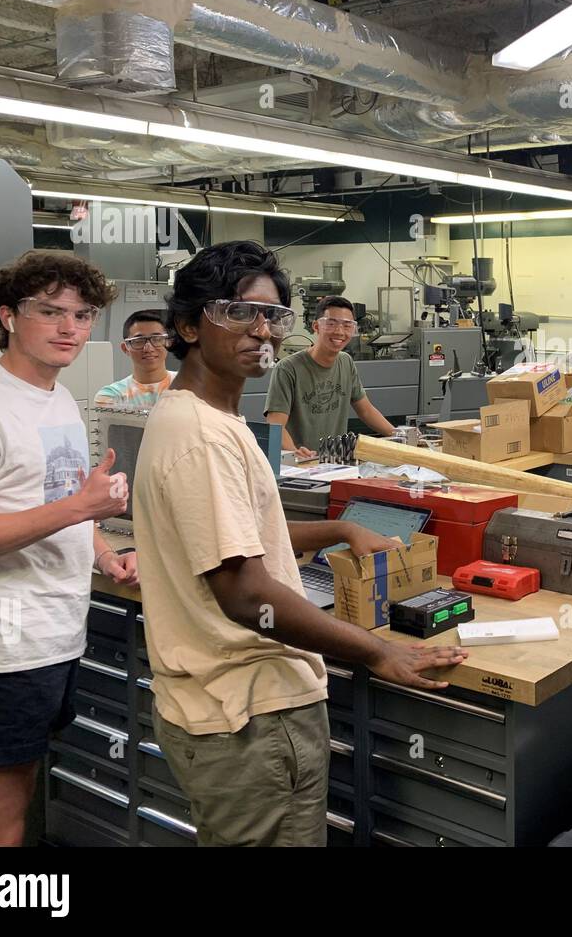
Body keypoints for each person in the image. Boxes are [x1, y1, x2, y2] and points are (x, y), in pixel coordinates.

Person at [133, 241, 467, 846]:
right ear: (187, 325)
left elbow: (234, 535)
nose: (262, 330)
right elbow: (242, 592)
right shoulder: (204, 437)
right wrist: (372, 650)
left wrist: (338, 529)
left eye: (273, 316)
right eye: (238, 313)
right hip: (248, 717)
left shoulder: (208, 418)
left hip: (232, 708)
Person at [0, 251, 136, 847]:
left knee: (19, 814)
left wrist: (101, 552)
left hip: (51, 638)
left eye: (83, 315)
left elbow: (60, 496)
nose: (70, 328)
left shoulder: (57, 396)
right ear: (9, 316)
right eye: (50, 312)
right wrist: (80, 509)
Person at [265, 295, 395, 458]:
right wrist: (294, 453)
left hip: (335, 462)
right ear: (316, 326)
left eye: (347, 325)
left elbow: (366, 411)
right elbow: (275, 425)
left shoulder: (346, 362)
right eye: (331, 324)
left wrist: (399, 435)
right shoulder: (287, 368)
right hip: (302, 466)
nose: (340, 332)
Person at [93, 309, 175, 409]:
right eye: (139, 341)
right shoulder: (112, 396)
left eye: (157, 339)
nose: (148, 348)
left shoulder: (189, 385)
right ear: (125, 348)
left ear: (168, 343)